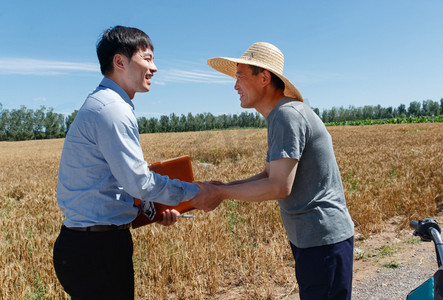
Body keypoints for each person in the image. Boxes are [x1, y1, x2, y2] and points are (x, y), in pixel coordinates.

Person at [53, 25, 213, 299]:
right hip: (96, 250)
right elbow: (140, 182)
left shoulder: (104, 104)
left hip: (90, 244)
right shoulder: (112, 110)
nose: (154, 68)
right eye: (148, 58)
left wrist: (153, 209)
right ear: (120, 61)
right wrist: (198, 193)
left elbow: (114, 185)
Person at [197, 42, 355, 300]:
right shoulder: (280, 116)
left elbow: (279, 186)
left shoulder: (287, 115)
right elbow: (268, 175)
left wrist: (220, 193)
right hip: (312, 239)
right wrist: (223, 187)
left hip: (322, 241)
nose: (235, 86)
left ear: (264, 78)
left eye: (239, 76)